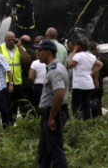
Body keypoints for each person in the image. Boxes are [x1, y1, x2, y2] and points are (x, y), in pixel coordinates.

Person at [35, 39, 69, 167]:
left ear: (48, 52)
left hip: (54, 113)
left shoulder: (55, 70)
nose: (37, 53)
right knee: (44, 152)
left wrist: (51, 118)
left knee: (56, 152)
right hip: (48, 113)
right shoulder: (52, 68)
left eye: (40, 50)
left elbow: (59, 94)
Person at [0, 31, 31, 121]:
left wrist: (19, 47)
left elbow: (27, 60)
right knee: (6, 105)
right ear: (5, 40)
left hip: (17, 81)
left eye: (13, 40)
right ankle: (6, 124)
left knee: (15, 105)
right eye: (9, 40)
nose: (11, 42)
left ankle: (12, 123)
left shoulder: (19, 48)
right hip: (4, 81)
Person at [68, 37, 103, 120]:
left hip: (78, 84)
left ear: (78, 46)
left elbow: (69, 65)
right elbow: (100, 64)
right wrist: (91, 73)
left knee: (76, 105)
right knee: (86, 104)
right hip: (88, 84)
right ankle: (87, 120)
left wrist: (73, 52)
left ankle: (77, 120)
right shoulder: (91, 56)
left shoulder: (78, 56)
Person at [29, 40, 48, 110]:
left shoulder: (35, 63)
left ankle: (38, 118)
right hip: (47, 86)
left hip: (37, 86)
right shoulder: (50, 62)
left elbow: (30, 77)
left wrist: (33, 82)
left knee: (37, 105)